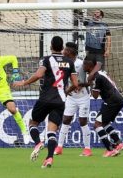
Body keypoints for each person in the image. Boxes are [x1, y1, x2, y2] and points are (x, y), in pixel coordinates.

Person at [12, 36, 78, 168]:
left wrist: (24, 82)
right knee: (52, 131)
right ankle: (49, 158)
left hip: (45, 99)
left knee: (33, 123)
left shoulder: (47, 60)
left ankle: (37, 142)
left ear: (51, 46)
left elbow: (38, 75)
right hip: (60, 101)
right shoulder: (69, 62)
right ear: (62, 47)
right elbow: (76, 84)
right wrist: (65, 91)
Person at [82, 57, 123, 157]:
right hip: (118, 100)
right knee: (105, 123)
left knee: (97, 125)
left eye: (85, 64)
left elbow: (95, 96)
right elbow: (99, 63)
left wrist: (90, 84)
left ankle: (110, 149)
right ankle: (119, 143)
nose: (83, 66)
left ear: (90, 66)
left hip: (111, 101)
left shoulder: (97, 77)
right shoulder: (99, 73)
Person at [54, 42, 92, 157]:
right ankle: (59, 147)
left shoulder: (81, 63)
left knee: (83, 121)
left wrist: (68, 90)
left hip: (83, 97)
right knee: (65, 120)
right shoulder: (64, 63)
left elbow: (83, 81)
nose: (63, 51)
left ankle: (87, 149)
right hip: (71, 98)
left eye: (65, 50)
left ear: (70, 52)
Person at [83, 9, 111, 81]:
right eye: (94, 13)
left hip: (100, 52)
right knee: (85, 69)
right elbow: (84, 21)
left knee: (99, 72)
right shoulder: (88, 23)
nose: (95, 14)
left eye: (97, 12)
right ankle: (87, 87)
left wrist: (108, 50)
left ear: (101, 16)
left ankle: (100, 88)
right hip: (90, 52)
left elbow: (108, 38)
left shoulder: (104, 25)